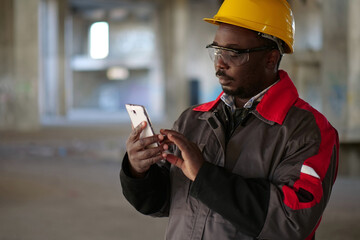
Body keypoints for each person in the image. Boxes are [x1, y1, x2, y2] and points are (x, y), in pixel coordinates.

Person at [120, 0, 339, 239]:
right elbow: (163, 203)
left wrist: (205, 175)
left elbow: (292, 221)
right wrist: (138, 172)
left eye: (233, 53)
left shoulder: (308, 131)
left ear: (270, 59)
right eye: (217, 51)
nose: (219, 64)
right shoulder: (193, 120)